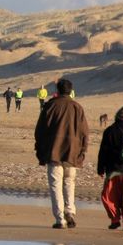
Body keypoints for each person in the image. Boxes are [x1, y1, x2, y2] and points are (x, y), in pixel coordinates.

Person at [34, 78, 89, 229]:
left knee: (55, 185)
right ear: (71, 91)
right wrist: (82, 152)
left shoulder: (50, 106)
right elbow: (85, 133)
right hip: (72, 154)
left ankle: (60, 219)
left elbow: (39, 131)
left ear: (57, 91)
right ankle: (69, 211)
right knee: (69, 183)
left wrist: (40, 151)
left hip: (54, 154)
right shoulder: (77, 107)